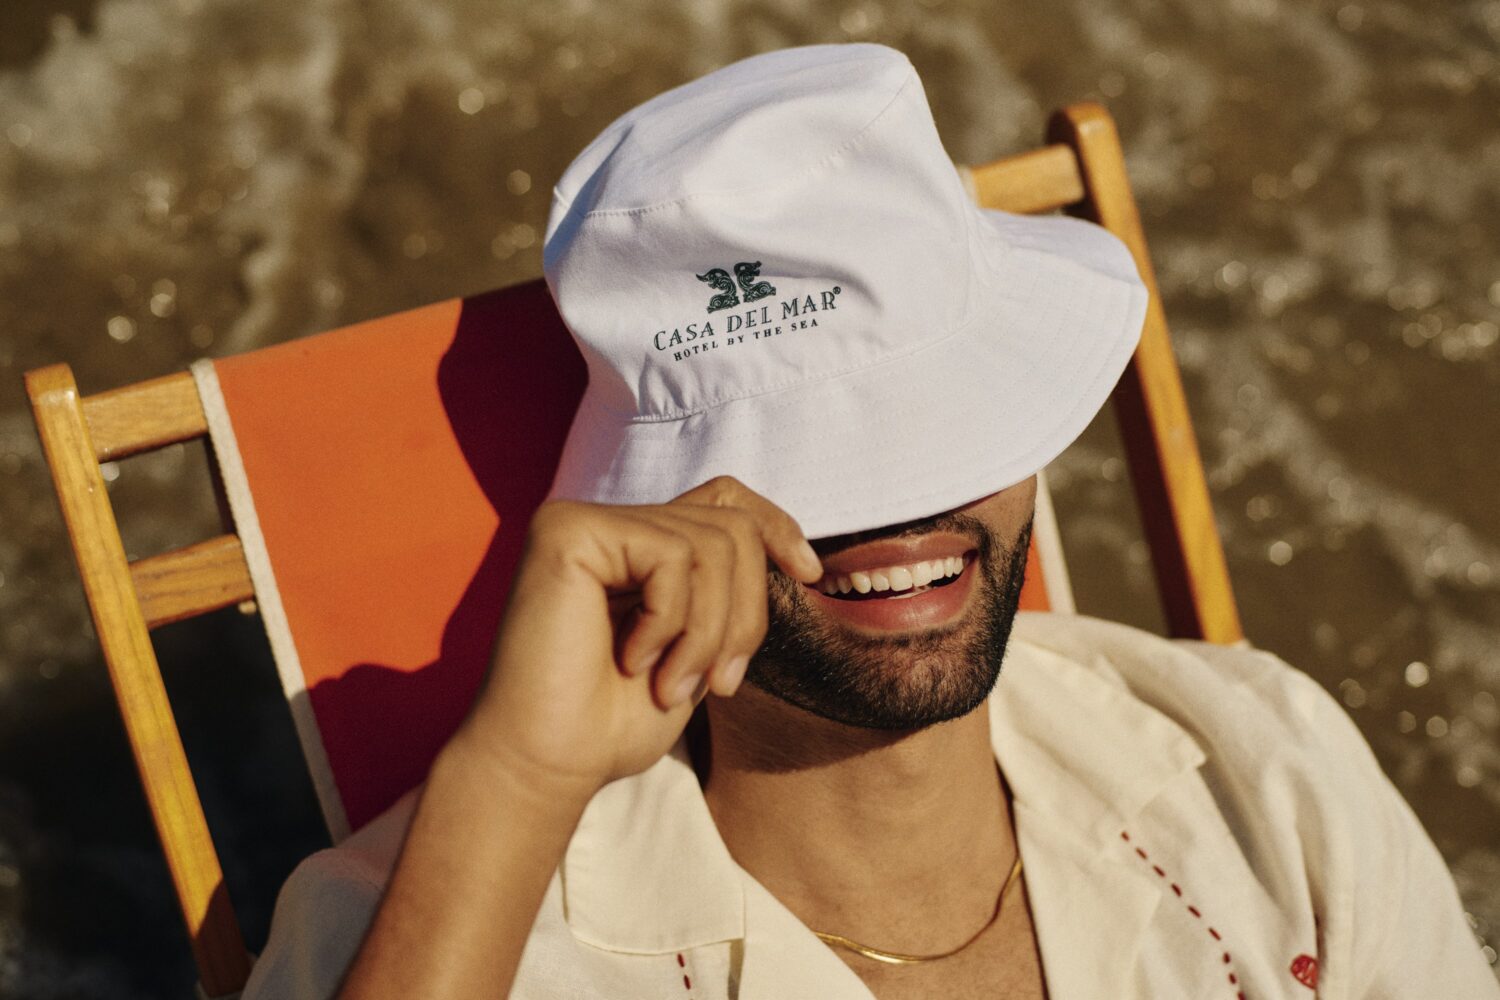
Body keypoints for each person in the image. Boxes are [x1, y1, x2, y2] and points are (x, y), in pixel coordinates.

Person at [240, 43, 1498, 1000]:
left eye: (946, 425)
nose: (900, 508)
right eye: (815, 472)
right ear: (654, 517)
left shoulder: (1259, 762)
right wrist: (518, 780)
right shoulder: (424, 934)